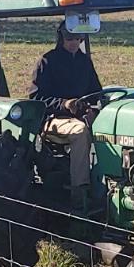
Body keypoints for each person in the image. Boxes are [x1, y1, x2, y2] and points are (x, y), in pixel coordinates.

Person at [29, 21, 101, 210]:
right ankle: (80, 193)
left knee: (106, 126)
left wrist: (93, 107)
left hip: (81, 114)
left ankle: (106, 183)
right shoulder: (47, 61)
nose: (74, 42)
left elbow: (96, 91)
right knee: (80, 131)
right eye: (69, 38)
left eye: (78, 38)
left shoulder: (85, 62)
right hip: (53, 119)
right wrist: (64, 104)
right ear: (60, 37)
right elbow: (36, 98)